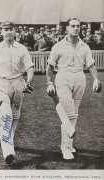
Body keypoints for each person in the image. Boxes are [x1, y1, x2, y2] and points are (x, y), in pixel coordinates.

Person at [46, 18, 102, 160]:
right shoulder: (58, 46)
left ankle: (69, 145)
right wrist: (49, 83)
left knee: (74, 113)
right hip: (63, 77)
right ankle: (65, 148)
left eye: (78, 26)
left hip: (79, 78)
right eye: (72, 26)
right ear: (67, 29)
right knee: (68, 113)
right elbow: (50, 66)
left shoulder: (84, 46)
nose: (75, 28)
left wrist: (96, 79)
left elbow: (90, 65)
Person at [0, 21, 34, 164]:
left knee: (15, 114)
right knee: (5, 115)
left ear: (15, 31)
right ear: (1, 32)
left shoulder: (22, 49)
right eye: (5, 29)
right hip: (0, 83)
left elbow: (29, 67)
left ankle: (9, 140)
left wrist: (28, 82)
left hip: (18, 83)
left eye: (11, 29)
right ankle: (8, 152)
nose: (8, 32)